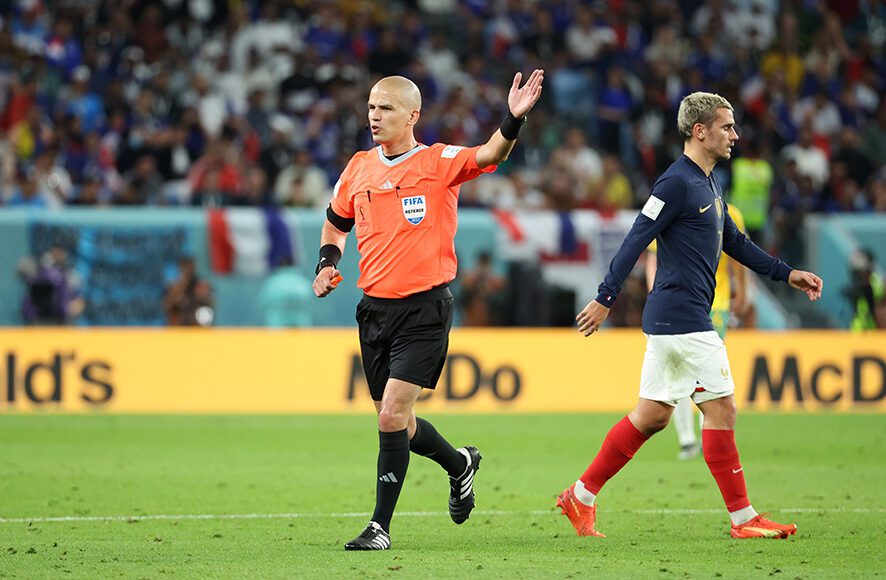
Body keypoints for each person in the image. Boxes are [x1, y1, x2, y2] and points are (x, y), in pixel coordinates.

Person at [557, 92, 823, 540]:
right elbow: (636, 238)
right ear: (700, 131)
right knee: (721, 409)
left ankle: (580, 495)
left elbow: (735, 242)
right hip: (683, 318)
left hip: (675, 319)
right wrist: (606, 297)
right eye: (726, 127)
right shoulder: (675, 184)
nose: (735, 135)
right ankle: (743, 518)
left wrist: (786, 273)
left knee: (651, 416)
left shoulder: (709, 183)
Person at [313, 71, 544, 550]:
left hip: (424, 310)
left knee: (391, 416)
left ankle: (379, 527)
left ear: (412, 115)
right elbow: (335, 224)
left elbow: (490, 154)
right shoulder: (358, 167)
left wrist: (513, 119)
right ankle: (460, 464)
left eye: (386, 108)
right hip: (373, 311)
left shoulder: (438, 162)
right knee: (400, 422)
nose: (375, 116)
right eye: (371, 107)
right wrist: (326, 263)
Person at [645, 202, 748, 460]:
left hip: (715, 303)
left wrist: (742, 291)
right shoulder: (674, 205)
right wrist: (655, 294)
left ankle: (700, 439)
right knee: (682, 372)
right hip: (682, 304)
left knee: (696, 373)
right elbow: (652, 258)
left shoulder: (730, 213)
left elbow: (739, 254)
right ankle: (689, 439)